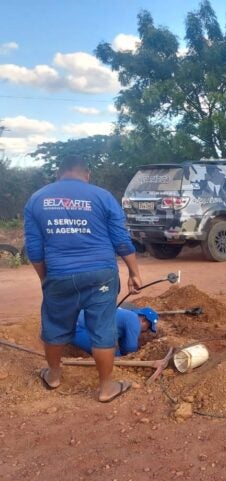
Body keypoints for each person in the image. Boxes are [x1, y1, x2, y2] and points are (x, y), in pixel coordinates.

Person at [23, 155, 143, 402]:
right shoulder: (102, 196)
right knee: (103, 328)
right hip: (102, 274)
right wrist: (134, 272)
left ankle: (54, 376)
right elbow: (121, 240)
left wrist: (46, 279)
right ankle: (106, 388)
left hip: (59, 274)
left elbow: (34, 250)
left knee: (55, 326)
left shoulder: (36, 199)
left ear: (59, 173)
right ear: (87, 174)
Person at [72, 307, 158, 356]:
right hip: (77, 328)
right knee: (113, 356)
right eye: (148, 327)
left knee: (114, 350)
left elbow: (123, 343)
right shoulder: (134, 320)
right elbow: (130, 348)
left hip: (76, 320)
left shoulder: (127, 313)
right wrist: (135, 357)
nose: (145, 331)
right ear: (144, 320)